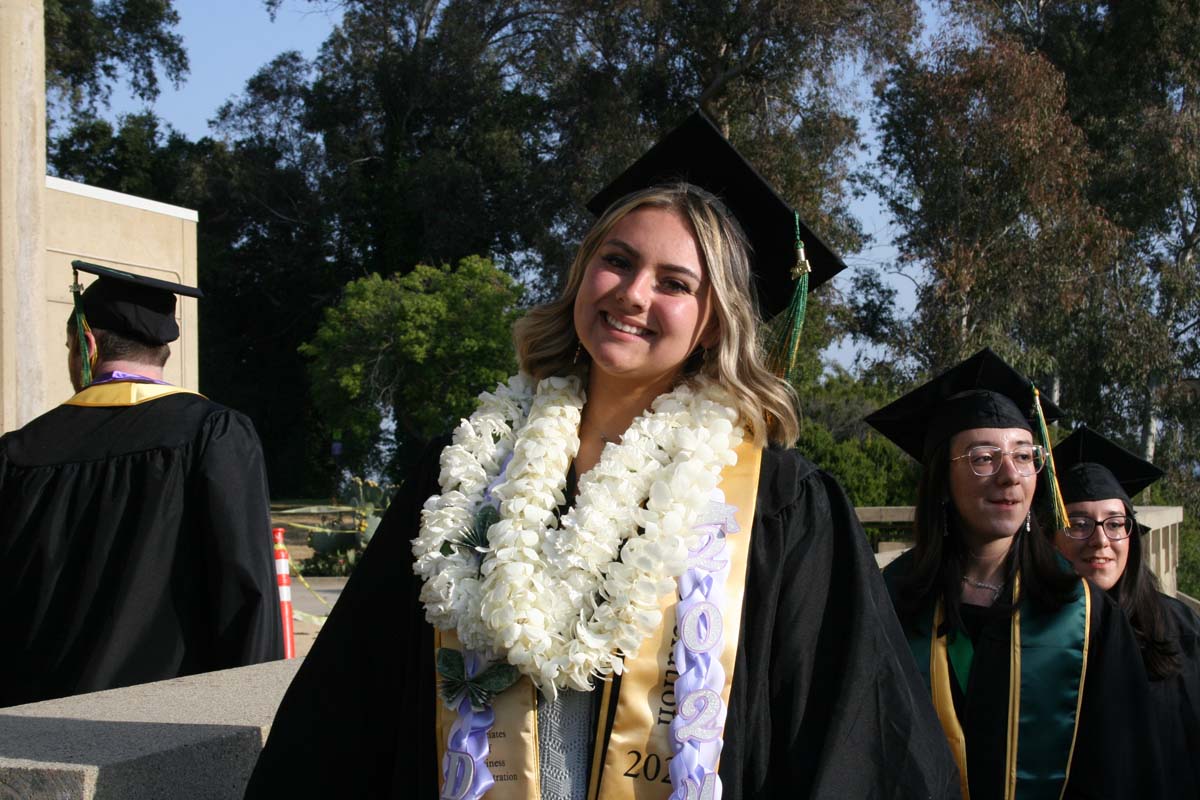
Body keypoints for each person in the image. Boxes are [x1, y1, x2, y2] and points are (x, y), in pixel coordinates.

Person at [246, 111, 959, 799]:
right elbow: (357, 697)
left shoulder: (777, 502)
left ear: (713, 324)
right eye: (616, 261)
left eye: (675, 283)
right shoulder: (467, 469)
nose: (632, 293)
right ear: (582, 274)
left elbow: (846, 730)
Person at [865, 348, 1166, 800]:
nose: (1010, 476)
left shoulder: (1086, 616)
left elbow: (1124, 772)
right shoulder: (890, 600)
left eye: (1025, 456)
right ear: (942, 481)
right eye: (983, 457)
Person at [0, 260, 282, 707]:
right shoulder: (213, 434)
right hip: (162, 725)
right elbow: (246, 596)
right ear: (161, 351)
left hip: (30, 720)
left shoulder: (18, 452)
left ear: (87, 344)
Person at [1052, 427, 1200, 798]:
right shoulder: (1029, 636)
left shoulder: (1181, 630)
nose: (1100, 540)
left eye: (1115, 523)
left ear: (1131, 536)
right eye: (1079, 524)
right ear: (1050, 535)